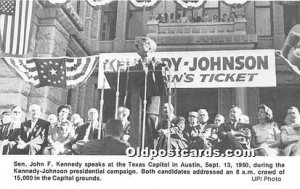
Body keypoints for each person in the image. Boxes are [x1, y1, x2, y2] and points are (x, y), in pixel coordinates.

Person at [131, 37, 167, 149]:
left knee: (149, 132)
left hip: (151, 104)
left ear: (149, 47)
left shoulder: (157, 63)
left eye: (143, 44)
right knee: (137, 132)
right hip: (137, 103)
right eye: (139, 45)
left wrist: (154, 66)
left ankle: (150, 154)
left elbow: (161, 83)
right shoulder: (135, 66)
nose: (140, 46)